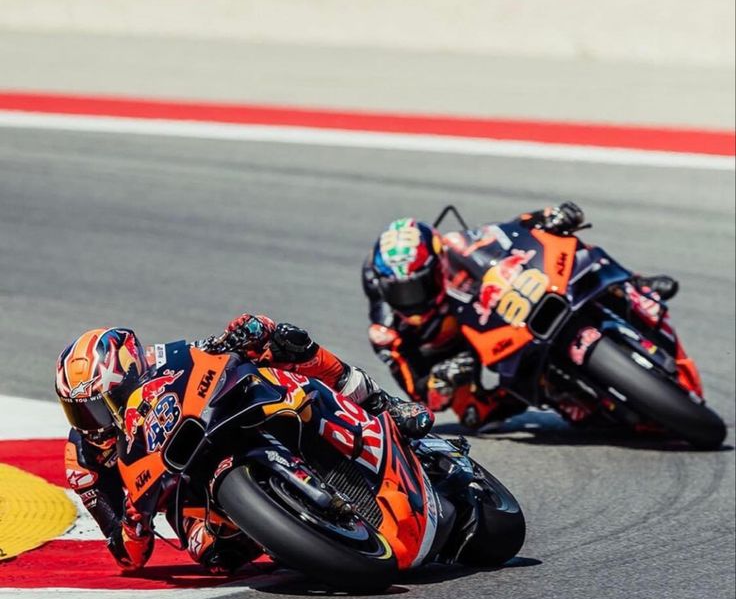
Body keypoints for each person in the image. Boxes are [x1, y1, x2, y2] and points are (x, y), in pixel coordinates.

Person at [56, 316, 432, 575]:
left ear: (130, 373)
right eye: (82, 412)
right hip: (183, 490)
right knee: (213, 555)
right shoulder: (84, 461)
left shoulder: (159, 359)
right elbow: (126, 557)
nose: (95, 421)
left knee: (285, 341)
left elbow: (221, 347)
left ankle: (383, 405)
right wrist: (135, 523)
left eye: (102, 405)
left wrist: (248, 330)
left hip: (217, 423)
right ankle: (293, 536)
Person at [363, 203, 678, 429]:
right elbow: (419, 398)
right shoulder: (386, 332)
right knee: (475, 414)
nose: (411, 300)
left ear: (437, 264)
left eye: (418, 286)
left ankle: (634, 282)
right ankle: (556, 389)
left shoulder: (454, 247)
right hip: (463, 354)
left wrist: (547, 217)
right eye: (401, 292)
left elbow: (509, 233)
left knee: (566, 244)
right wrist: (442, 379)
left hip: (499, 310)